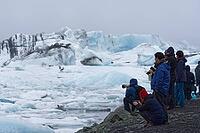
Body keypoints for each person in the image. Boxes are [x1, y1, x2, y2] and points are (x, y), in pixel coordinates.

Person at [151, 52, 170, 122]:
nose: (155, 60)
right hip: (162, 89)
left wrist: (156, 88)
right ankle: (163, 119)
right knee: (161, 104)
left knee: (161, 104)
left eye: (155, 58)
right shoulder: (162, 67)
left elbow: (159, 80)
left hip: (160, 89)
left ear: (158, 59)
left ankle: (164, 119)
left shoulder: (161, 68)